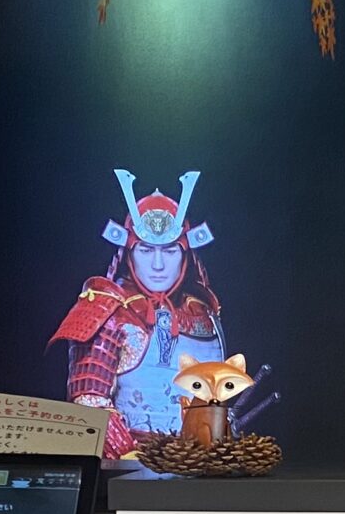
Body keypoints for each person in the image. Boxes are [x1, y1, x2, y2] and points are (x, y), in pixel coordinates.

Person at [51, 170, 225, 456]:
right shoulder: (107, 309)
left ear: (185, 255)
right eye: (146, 250)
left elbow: (219, 395)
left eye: (169, 251)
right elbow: (89, 403)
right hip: (129, 463)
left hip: (201, 462)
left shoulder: (203, 309)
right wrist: (133, 457)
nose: (158, 264)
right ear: (129, 253)